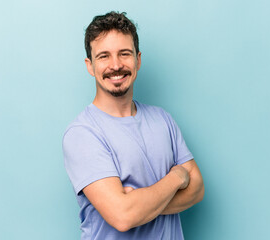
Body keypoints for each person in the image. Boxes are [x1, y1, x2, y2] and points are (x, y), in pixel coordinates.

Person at [62, 11, 204, 240]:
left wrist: (140, 205)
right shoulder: (82, 133)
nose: (116, 65)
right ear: (90, 65)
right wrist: (177, 177)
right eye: (104, 56)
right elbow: (123, 216)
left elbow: (197, 189)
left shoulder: (163, 120)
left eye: (124, 54)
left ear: (138, 59)